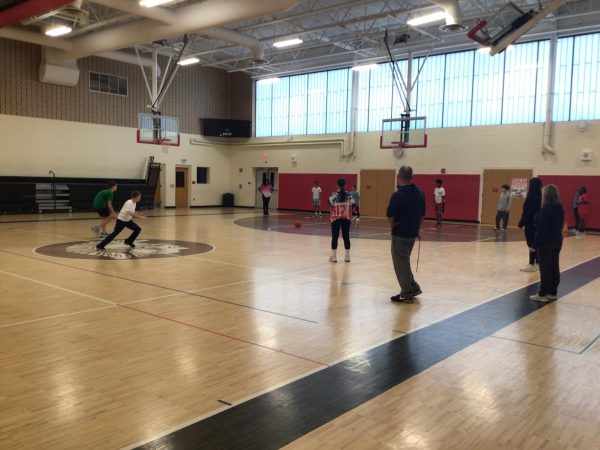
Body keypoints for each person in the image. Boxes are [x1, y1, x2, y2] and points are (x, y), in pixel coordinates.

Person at [386, 166, 426, 303]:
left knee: (400, 263)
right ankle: (414, 287)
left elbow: (390, 214)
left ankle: (407, 292)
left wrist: (393, 228)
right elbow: (422, 215)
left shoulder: (397, 195)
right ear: (411, 177)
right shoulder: (420, 193)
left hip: (400, 234)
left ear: (398, 176)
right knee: (405, 261)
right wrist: (417, 230)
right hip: (412, 234)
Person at [529, 184, 564, 302]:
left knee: (545, 268)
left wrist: (534, 245)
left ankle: (543, 293)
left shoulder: (546, 209)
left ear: (546, 195)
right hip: (557, 241)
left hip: (546, 243)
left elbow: (542, 230)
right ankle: (552, 292)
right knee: (554, 266)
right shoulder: (559, 207)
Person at [518, 177, 543, 272]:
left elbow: (527, 212)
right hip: (538, 223)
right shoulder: (540, 196)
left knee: (531, 243)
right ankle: (537, 262)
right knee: (535, 242)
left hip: (531, 224)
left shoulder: (531, 196)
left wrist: (521, 223)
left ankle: (532, 264)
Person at [328, 178, 354, 263]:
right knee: (346, 237)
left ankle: (334, 257)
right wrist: (349, 216)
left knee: (334, 237)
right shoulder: (349, 194)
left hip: (335, 218)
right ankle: (347, 256)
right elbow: (351, 206)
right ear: (345, 185)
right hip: (345, 218)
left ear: (337, 185)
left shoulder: (334, 194)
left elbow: (329, 203)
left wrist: (331, 214)